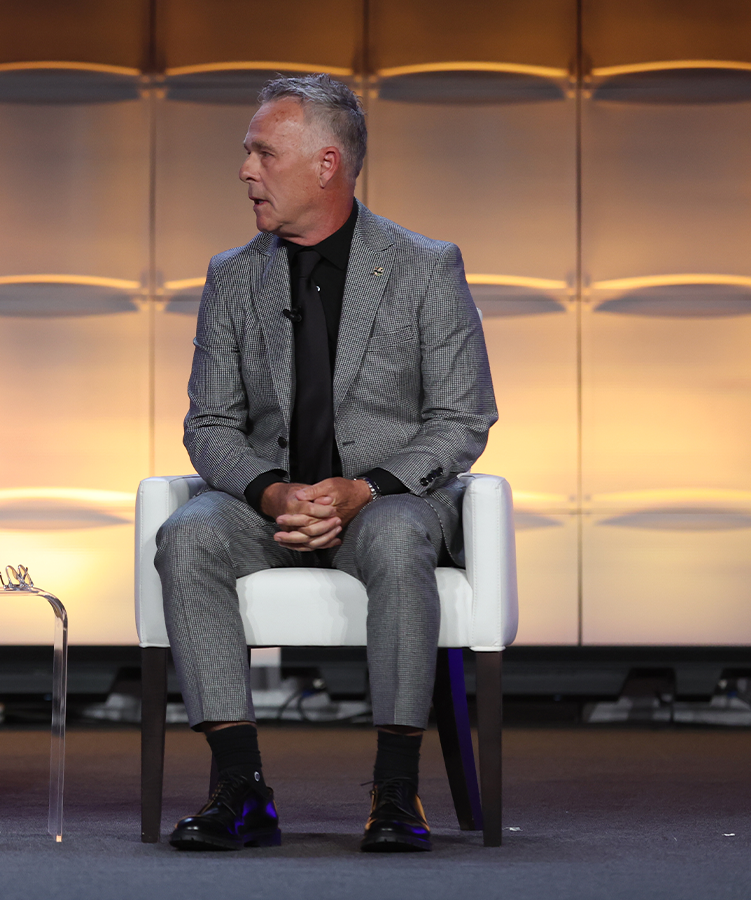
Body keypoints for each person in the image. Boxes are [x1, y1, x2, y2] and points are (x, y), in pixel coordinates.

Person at [156, 74, 497, 853]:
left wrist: (363, 490)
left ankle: (397, 792)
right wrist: (273, 493)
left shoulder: (424, 267)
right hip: (266, 505)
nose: (245, 170)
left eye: (261, 152)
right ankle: (240, 789)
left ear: (326, 165)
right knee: (189, 536)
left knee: (398, 535)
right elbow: (208, 423)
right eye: (247, 153)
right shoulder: (233, 276)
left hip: (388, 501)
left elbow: (463, 417)